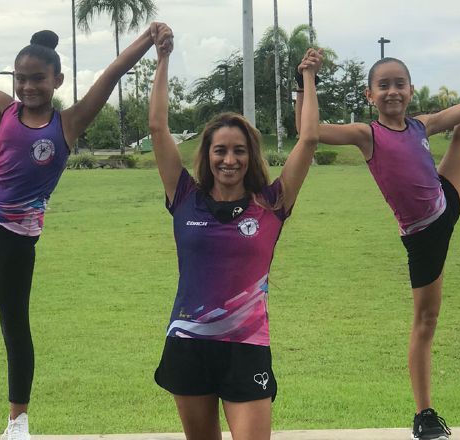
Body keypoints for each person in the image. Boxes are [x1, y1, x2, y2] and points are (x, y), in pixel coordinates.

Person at [0, 1, 173, 438]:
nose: (27, 87)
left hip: (14, 239)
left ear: (56, 80)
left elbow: (111, 75)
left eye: (37, 79)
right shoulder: (2, 107)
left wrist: (146, 38)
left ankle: (18, 421)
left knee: (14, 322)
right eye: (21, 78)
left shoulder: (69, 124)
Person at [294, 1, 460, 439]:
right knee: (426, 321)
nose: (392, 91)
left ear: (411, 90)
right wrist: (306, 79)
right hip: (423, 237)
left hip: (444, 197)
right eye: (383, 86)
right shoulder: (367, 135)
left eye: (400, 84)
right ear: (370, 95)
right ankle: (424, 415)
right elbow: (311, 131)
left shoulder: (421, 125)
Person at [148, 33, 322, 439]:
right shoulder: (184, 195)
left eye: (239, 150)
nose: (229, 159)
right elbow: (158, 128)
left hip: (246, 346)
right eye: (220, 150)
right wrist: (163, 59)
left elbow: (309, 139)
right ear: (207, 155)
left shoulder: (272, 203)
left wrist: (308, 78)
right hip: (189, 342)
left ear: (251, 155)